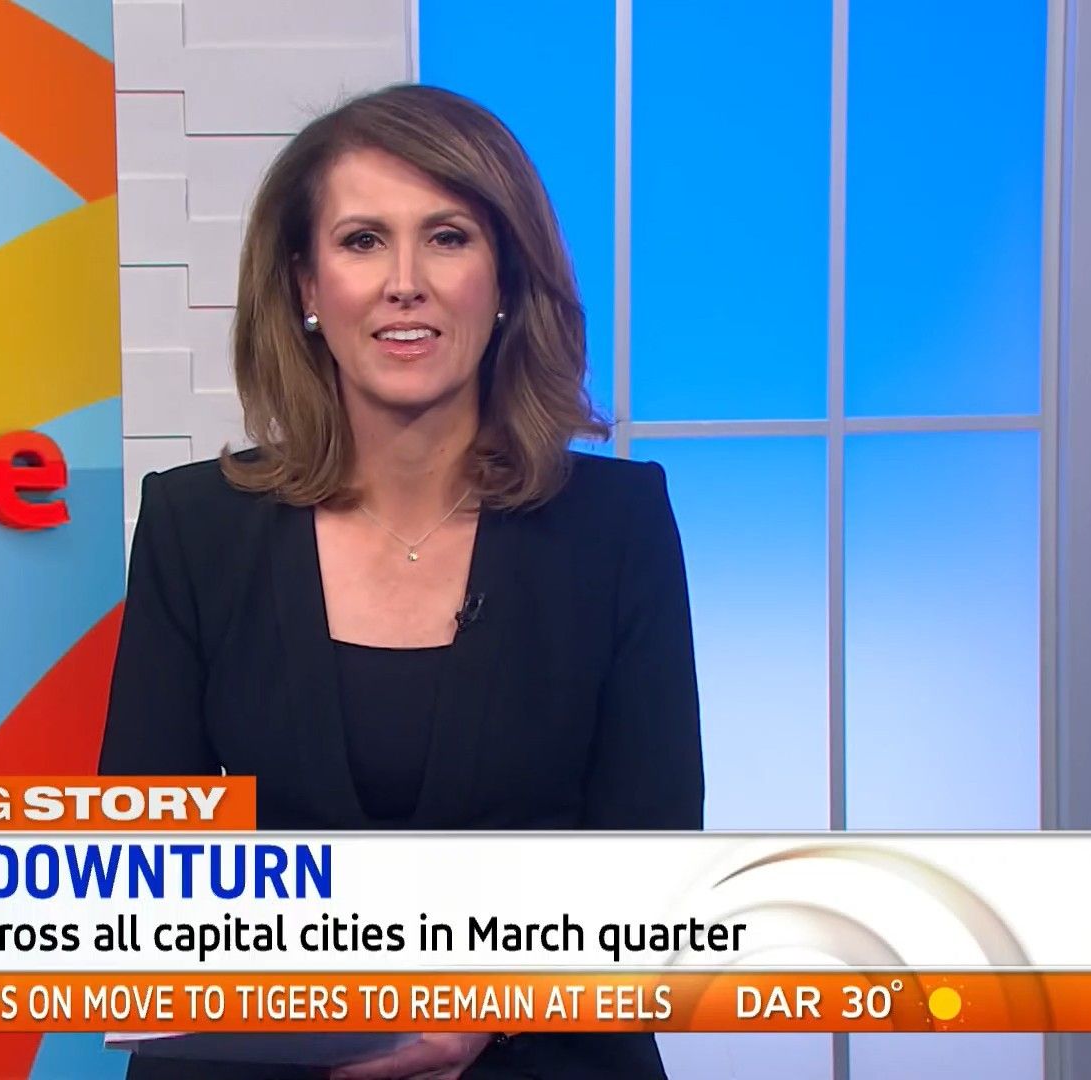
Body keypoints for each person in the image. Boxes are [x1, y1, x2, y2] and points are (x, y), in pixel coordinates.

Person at [100, 84, 702, 1080]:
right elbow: (141, 875)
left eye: (448, 238)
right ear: (306, 284)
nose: (405, 283)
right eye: (363, 241)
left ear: (505, 280)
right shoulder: (196, 526)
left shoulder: (616, 526)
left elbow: (654, 868)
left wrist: (487, 1010)